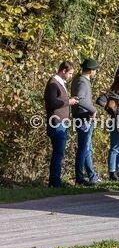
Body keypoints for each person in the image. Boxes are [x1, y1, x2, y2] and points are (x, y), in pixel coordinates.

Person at [44, 60, 77, 188]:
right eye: (70, 73)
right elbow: (52, 103)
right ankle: (55, 181)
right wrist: (69, 101)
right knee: (58, 153)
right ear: (64, 71)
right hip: (56, 123)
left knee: (59, 153)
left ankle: (55, 180)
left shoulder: (60, 83)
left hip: (61, 123)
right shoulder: (53, 84)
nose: (70, 76)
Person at [71, 58, 102, 185]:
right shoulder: (82, 82)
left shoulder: (80, 79)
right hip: (83, 118)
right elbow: (80, 100)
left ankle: (92, 176)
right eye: (95, 70)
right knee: (83, 149)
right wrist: (93, 110)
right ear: (91, 70)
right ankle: (79, 177)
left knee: (87, 148)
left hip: (83, 118)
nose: (96, 72)